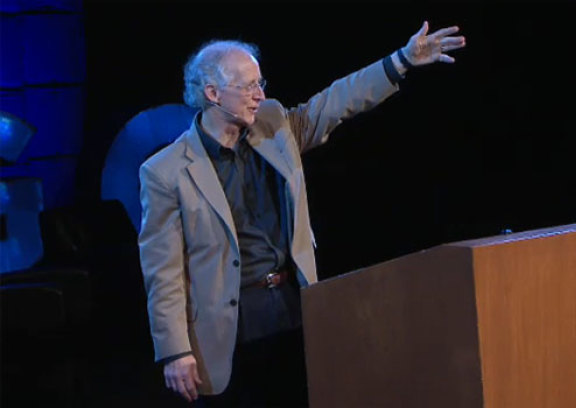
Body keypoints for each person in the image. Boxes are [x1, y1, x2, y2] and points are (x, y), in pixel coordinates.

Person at [138, 21, 466, 407]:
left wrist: (401, 61)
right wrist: (175, 351)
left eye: (261, 84)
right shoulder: (166, 171)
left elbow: (335, 102)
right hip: (231, 326)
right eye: (248, 86)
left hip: (295, 309)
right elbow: (164, 273)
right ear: (212, 93)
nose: (260, 95)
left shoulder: (274, 125)